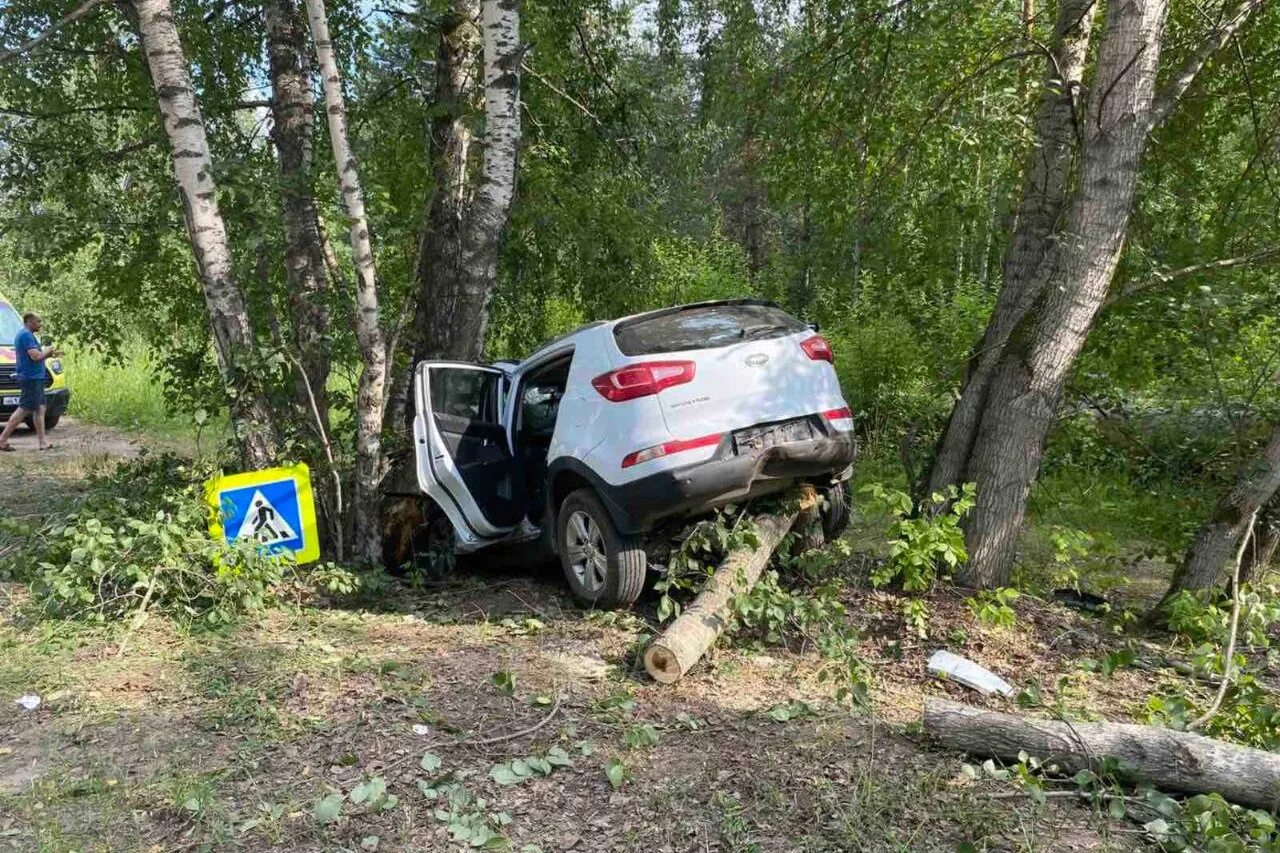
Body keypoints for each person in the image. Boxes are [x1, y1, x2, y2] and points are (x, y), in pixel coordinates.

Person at [0, 313, 60, 452]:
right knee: (24, 409)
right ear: (29, 322)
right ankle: (2, 439)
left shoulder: (27, 335)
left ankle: (42, 442)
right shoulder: (26, 336)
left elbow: (36, 355)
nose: (40, 324)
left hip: (35, 378)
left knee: (40, 409)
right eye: (38, 321)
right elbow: (35, 356)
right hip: (31, 378)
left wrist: (50, 354)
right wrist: (47, 351)